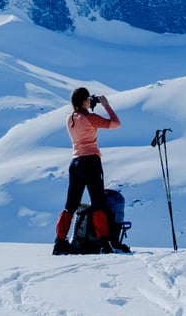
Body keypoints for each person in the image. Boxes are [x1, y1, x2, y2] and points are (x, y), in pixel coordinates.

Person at [52, 87, 122, 255]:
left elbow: (81, 118)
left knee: (70, 205)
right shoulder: (90, 118)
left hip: (75, 162)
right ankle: (104, 243)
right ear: (84, 100)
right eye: (88, 98)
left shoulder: (70, 118)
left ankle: (59, 242)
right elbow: (115, 123)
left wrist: (90, 106)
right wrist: (106, 105)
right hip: (91, 161)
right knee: (98, 202)